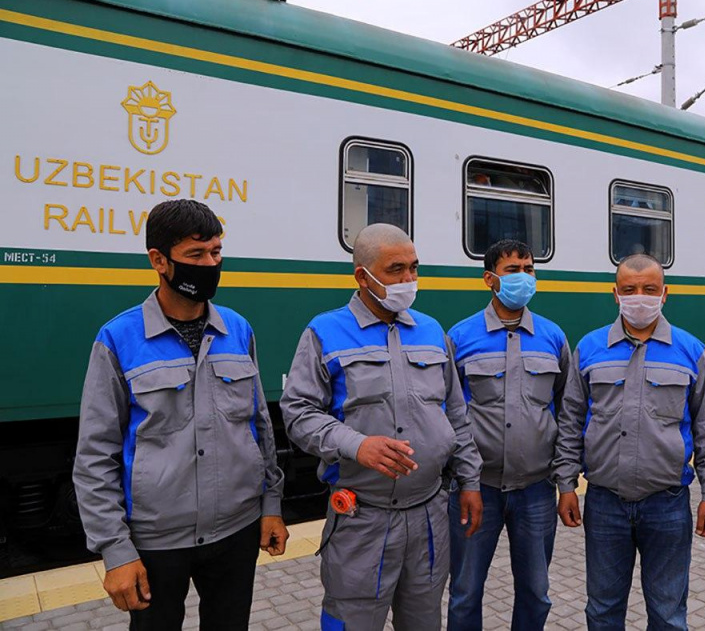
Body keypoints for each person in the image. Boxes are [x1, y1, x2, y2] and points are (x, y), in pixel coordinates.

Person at [73, 199, 287, 631]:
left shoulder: (238, 330)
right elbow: (95, 454)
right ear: (159, 260)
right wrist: (117, 551)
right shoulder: (118, 338)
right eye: (196, 255)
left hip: (236, 530)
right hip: (155, 542)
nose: (210, 264)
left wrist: (271, 504)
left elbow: (259, 426)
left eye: (216, 252)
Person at [279, 223, 483, 631]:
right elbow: (298, 412)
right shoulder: (325, 332)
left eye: (414, 268)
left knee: (425, 621)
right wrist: (357, 445)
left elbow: (456, 414)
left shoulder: (430, 332)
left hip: (429, 515)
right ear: (363, 276)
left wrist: (471, 480)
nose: (409, 280)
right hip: (361, 520)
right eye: (396, 270)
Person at [553, 253, 705, 630]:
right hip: (603, 503)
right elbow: (569, 420)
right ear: (615, 295)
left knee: (668, 612)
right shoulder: (590, 347)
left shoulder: (691, 351)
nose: (639, 297)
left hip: (666, 505)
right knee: (602, 609)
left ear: (665, 294)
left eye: (649, 289)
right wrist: (566, 485)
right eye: (629, 290)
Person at [446, 240, 571, 630]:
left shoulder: (553, 337)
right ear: (490, 279)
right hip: (474, 489)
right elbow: (446, 412)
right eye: (512, 270)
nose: (523, 277)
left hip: (535, 490)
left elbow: (568, 411)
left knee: (536, 592)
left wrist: (565, 479)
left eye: (529, 269)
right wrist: (460, 476)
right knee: (465, 591)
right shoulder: (460, 338)